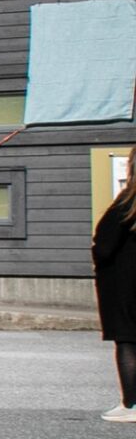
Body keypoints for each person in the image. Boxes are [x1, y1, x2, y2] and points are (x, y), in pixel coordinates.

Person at [92, 153, 136, 423]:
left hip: (126, 284)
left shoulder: (127, 202)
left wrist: (97, 257)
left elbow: (105, 245)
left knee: (128, 340)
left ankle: (131, 403)